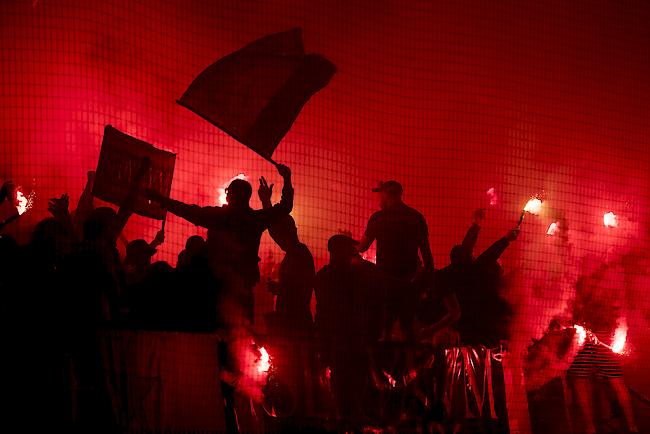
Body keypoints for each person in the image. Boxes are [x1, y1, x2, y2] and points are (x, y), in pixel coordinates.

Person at [146, 163, 293, 323]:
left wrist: (161, 200)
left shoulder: (219, 216)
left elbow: (188, 211)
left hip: (213, 291)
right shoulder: (255, 220)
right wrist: (286, 179)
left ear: (231, 195)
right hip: (242, 291)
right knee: (241, 336)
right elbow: (285, 207)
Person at [315, 234, 383, 430]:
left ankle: (345, 421)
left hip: (339, 343)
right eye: (350, 249)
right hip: (355, 342)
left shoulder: (323, 276)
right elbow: (374, 308)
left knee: (342, 391)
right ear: (341, 252)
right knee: (355, 391)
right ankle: (352, 421)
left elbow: (322, 312)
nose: (354, 253)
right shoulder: (358, 277)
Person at [358, 180, 434, 341]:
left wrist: (347, 241)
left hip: (385, 283)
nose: (379, 200)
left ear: (386, 195)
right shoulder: (416, 217)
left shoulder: (379, 218)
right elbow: (427, 255)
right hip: (409, 284)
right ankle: (411, 363)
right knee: (408, 329)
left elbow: (362, 247)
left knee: (384, 329)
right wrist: (426, 284)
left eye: (380, 195)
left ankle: (383, 361)